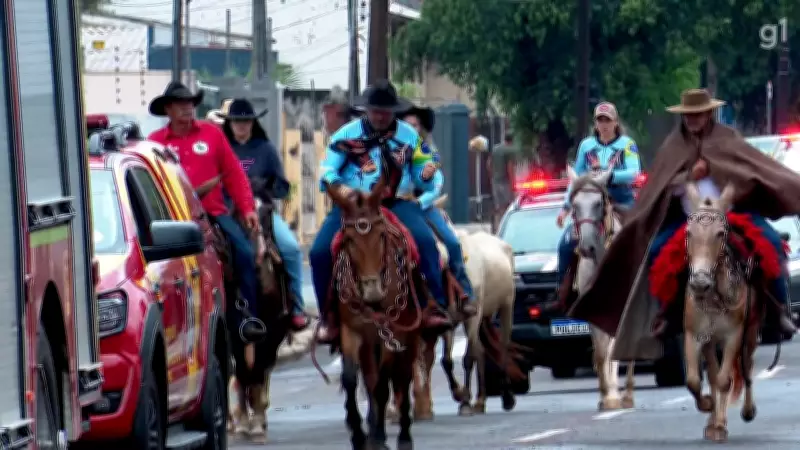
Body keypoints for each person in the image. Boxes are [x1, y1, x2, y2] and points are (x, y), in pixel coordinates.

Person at [568, 89, 800, 361]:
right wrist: (690, 174)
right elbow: (663, 186)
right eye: (688, 115)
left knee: (771, 243)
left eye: (697, 114)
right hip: (687, 220)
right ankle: (666, 314)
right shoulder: (673, 146)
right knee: (655, 252)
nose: (692, 119)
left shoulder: (728, 139)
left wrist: (723, 175)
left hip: (732, 215)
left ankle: (779, 311)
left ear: (708, 113)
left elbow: (749, 174)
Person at [310, 80, 454, 342]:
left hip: (395, 203)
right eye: (375, 111)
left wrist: (426, 177)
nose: (380, 117)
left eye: (386, 112)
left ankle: (433, 305)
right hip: (353, 207)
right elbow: (327, 170)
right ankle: (328, 318)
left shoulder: (409, 136)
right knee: (319, 252)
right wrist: (342, 189)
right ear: (367, 110)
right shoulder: (345, 135)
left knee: (424, 242)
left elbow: (428, 170)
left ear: (393, 111)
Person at [147, 81, 266, 343]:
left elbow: (234, 173)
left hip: (212, 213)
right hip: (173, 219)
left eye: (190, 103)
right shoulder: (155, 143)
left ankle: (248, 317)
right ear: (168, 109)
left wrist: (247, 208)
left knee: (244, 253)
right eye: (180, 104)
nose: (187, 108)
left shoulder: (212, 134)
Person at [220, 98, 309, 331]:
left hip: (262, 211)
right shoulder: (222, 149)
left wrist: (266, 186)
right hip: (228, 213)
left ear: (253, 123)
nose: (241, 125)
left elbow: (282, 187)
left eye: (246, 121)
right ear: (229, 123)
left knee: (291, 248)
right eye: (236, 121)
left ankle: (297, 308)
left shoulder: (266, 149)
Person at [397, 103, 477, 314]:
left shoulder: (426, 152)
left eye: (415, 125)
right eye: (406, 124)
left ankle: (464, 292)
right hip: (393, 206)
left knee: (452, 242)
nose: (410, 128)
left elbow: (436, 184)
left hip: (422, 206)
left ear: (421, 129)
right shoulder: (390, 149)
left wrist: (420, 202)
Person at [556, 102, 642, 286]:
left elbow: (634, 172)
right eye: (600, 120)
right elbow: (577, 178)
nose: (604, 124)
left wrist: (609, 176)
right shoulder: (586, 146)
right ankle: (562, 289)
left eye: (607, 120)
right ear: (595, 123)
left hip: (620, 198)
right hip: (590, 201)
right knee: (565, 244)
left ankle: (641, 283)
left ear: (615, 122)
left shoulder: (627, 144)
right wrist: (565, 207)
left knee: (640, 236)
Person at [489, 132, 517, 231]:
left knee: (499, 206)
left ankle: (497, 228)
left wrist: (492, 178)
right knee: (509, 205)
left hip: (495, 181)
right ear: (513, 140)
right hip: (505, 181)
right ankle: (507, 227)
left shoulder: (495, 149)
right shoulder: (510, 150)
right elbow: (510, 167)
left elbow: (489, 164)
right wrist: (513, 185)